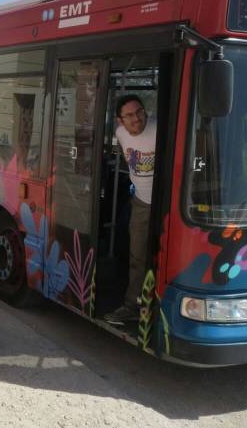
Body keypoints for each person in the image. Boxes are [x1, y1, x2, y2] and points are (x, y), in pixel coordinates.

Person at [104, 94, 156, 324]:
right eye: (130, 115)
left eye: (140, 112)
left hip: (167, 203)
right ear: (120, 120)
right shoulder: (120, 134)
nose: (136, 118)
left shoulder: (158, 130)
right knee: (137, 256)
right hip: (142, 203)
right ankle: (133, 306)